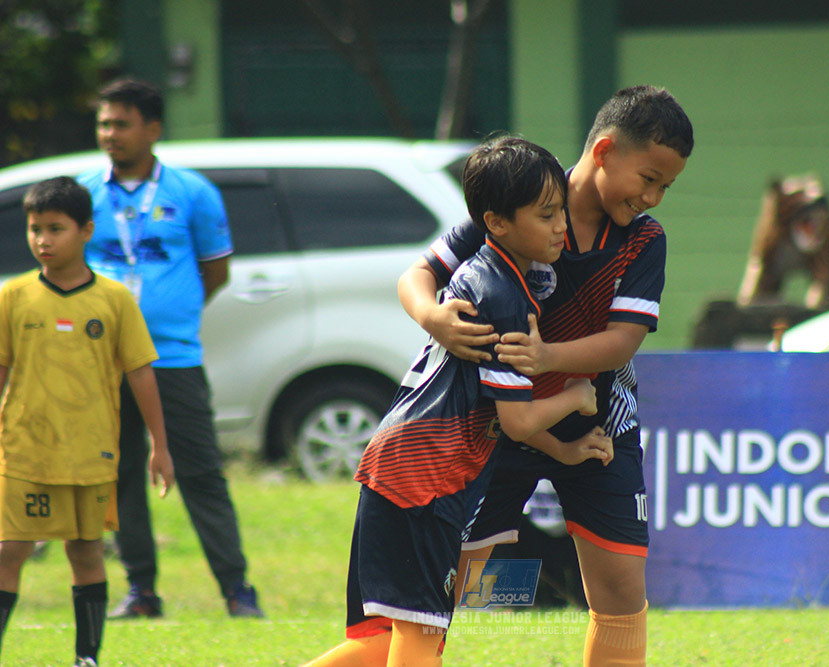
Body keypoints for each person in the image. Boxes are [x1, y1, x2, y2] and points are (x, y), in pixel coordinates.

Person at [397, 85, 693, 666]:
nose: (654, 198)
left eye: (666, 187)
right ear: (604, 151)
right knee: (443, 595)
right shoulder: (520, 191)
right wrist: (434, 316)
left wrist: (546, 358)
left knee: (620, 590)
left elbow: (623, 342)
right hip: (498, 424)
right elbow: (418, 273)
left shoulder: (643, 240)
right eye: (649, 178)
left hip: (597, 426)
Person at [302, 136, 606, 667]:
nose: (563, 226)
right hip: (424, 477)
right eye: (547, 214)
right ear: (497, 222)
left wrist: (560, 453)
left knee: (385, 642)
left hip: (397, 466)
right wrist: (577, 393)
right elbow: (516, 420)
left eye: (561, 210)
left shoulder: (496, 268)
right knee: (422, 640)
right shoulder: (504, 296)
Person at [78, 77, 263, 618]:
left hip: (172, 359)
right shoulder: (83, 191)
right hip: (101, 360)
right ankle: (141, 592)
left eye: (121, 123)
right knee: (118, 472)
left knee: (200, 471)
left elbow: (216, 269)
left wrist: (170, 312)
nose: (109, 134)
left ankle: (236, 590)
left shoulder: (192, 192)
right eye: (103, 124)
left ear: (152, 129)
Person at [0, 177, 175, 666]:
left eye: (55, 229)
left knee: (85, 550)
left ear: (86, 231)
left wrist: (159, 446)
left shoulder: (113, 300)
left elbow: (141, 372)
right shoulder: (13, 296)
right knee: (8, 551)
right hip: (23, 449)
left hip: (91, 452)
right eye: (35, 229)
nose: (43, 240)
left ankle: (86, 658)